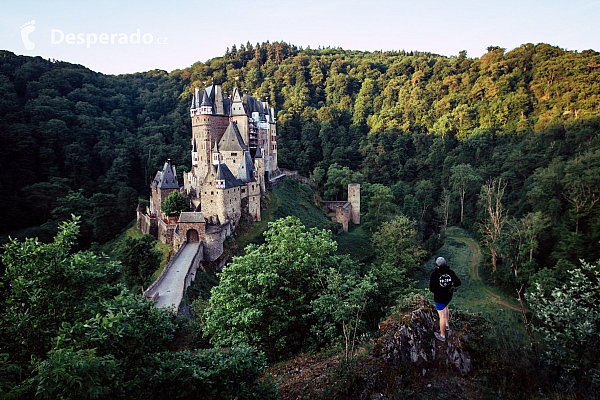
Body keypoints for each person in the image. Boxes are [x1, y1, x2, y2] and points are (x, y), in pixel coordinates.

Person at [429, 256, 461, 341]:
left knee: (441, 316)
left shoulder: (435, 274)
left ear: (437, 264)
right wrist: (451, 286)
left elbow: (431, 288)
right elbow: (458, 282)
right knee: (446, 307)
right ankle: (447, 325)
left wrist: (439, 290)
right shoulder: (450, 272)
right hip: (448, 296)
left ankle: (442, 336)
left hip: (439, 298)